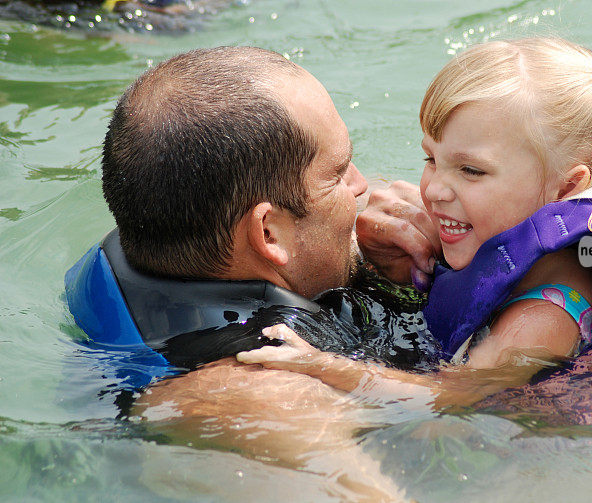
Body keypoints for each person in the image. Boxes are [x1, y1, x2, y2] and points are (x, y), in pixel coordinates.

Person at [237, 37, 592, 408]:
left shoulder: (544, 318)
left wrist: (324, 366)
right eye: (432, 158)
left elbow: (447, 397)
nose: (434, 190)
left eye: (471, 171)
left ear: (565, 190)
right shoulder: (496, 226)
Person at [66, 46, 418, 501]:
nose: (362, 186)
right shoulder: (265, 398)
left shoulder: (170, 232)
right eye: (337, 174)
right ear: (268, 232)